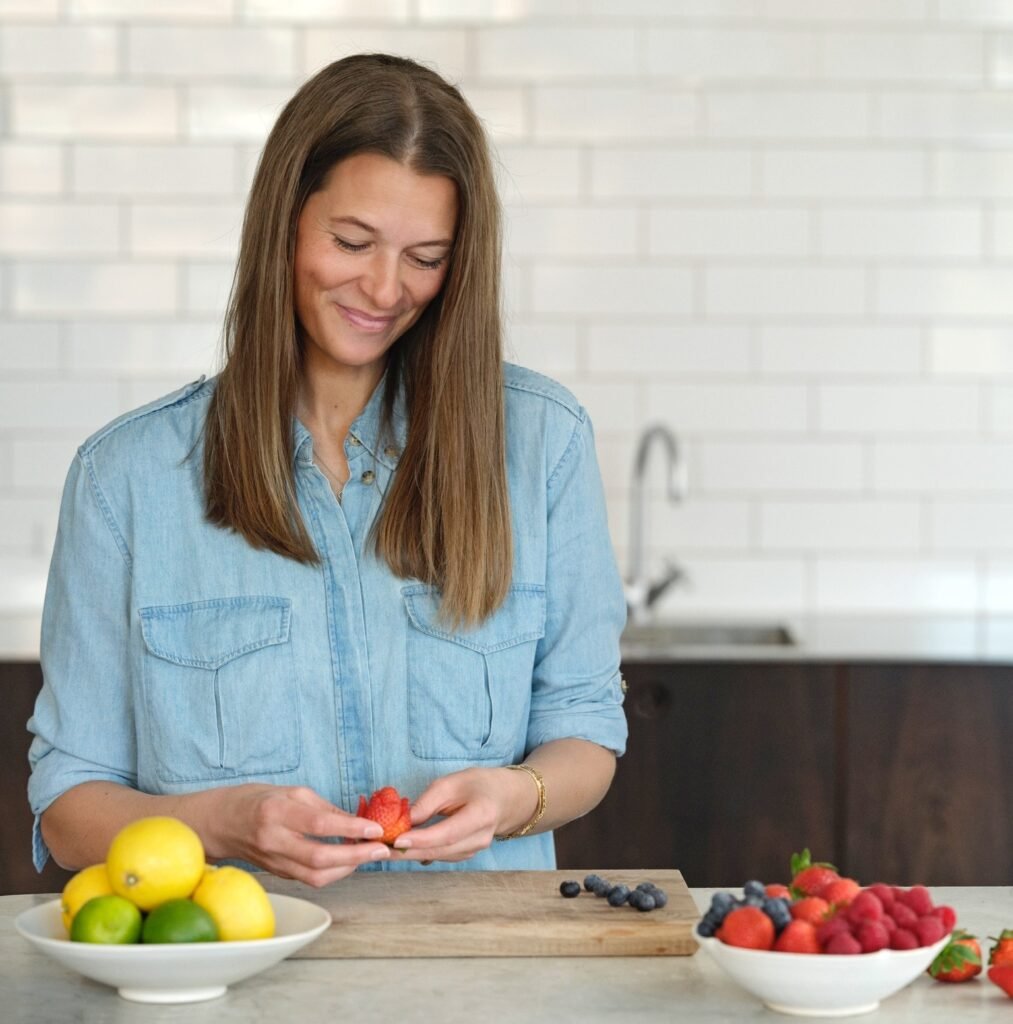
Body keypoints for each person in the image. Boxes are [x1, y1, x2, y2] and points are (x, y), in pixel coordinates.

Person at [27, 54, 627, 888]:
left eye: (425, 256)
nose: (384, 288)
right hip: (236, 988)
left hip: (485, 983)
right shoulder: (125, 479)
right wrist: (225, 824)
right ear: (285, 222)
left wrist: (515, 795)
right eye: (352, 242)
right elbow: (66, 809)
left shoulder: (541, 442)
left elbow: (585, 730)